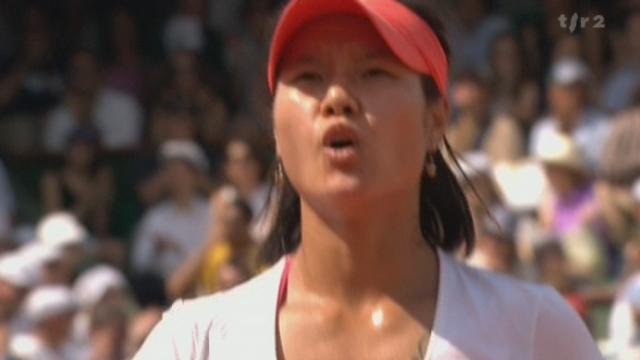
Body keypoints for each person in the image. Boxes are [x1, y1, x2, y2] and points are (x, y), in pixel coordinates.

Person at [135, 1, 601, 359]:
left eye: (374, 72)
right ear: (276, 129)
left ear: (436, 121)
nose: (337, 98)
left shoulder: (533, 329)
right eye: (309, 76)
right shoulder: (193, 343)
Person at [131, 140, 212, 281]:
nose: (175, 178)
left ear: (196, 176)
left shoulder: (211, 213)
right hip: (165, 292)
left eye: (181, 172)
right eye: (170, 172)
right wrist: (156, 250)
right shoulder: (155, 217)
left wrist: (179, 251)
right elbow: (139, 264)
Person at [41, 127, 114, 236]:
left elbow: (101, 226)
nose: (82, 152)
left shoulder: (101, 176)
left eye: (87, 147)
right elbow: (55, 227)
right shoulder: (53, 179)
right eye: (77, 147)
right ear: (68, 150)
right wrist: (85, 204)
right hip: (63, 239)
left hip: (93, 239)